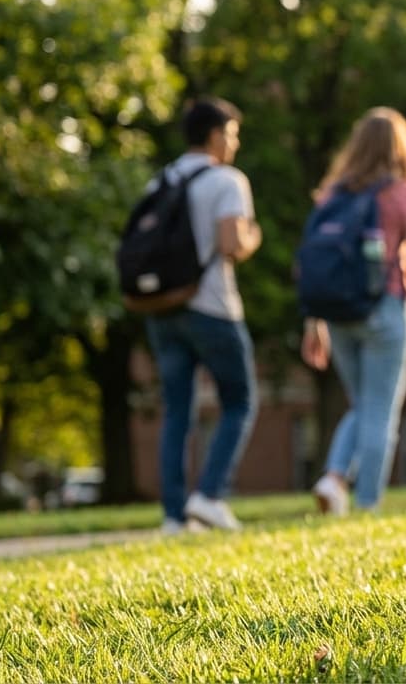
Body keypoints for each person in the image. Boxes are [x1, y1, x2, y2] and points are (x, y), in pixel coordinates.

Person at [301, 107, 406, 514]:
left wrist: (313, 322)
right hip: (384, 310)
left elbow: (316, 263)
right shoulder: (401, 193)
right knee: (380, 411)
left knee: (363, 406)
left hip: (338, 314)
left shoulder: (334, 193)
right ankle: (367, 504)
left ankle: (334, 478)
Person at [146, 97, 262, 533]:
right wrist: (254, 237)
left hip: (163, 309)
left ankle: (174, 516)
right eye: (231, 134)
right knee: (240, 400)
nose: (234, 144)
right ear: (215, 135)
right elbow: (232, 244)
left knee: (177, 411)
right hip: (212, 306)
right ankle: (210, 495)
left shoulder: (161, 180)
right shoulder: (227, 180)